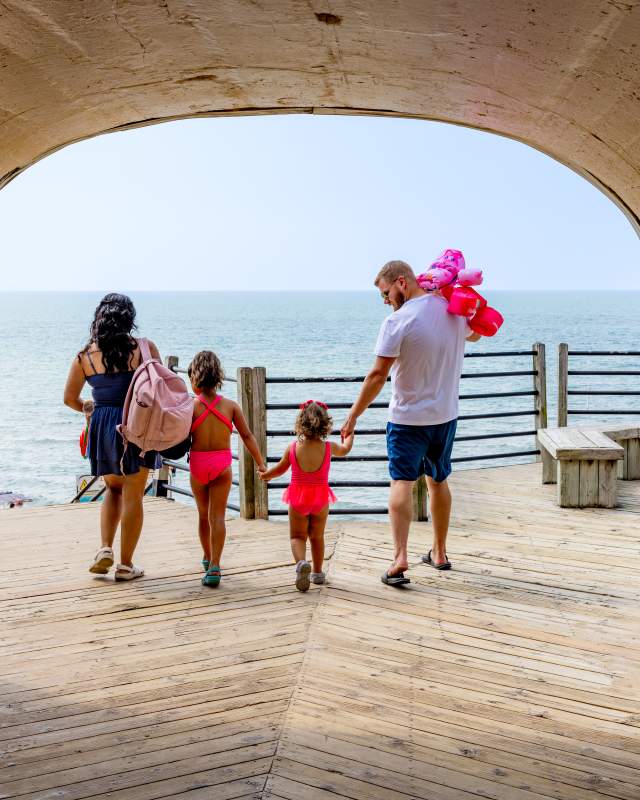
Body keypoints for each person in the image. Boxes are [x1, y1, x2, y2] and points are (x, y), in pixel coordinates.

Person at [340, 260, 482, 587]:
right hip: (446, 415)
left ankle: (400, 558)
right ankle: (440, 552)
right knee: (438, 480)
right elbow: (473, 337)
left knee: (401, 483)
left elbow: (377, 375)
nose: (386, 301)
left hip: (407, 419)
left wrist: (353, 415)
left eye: (386, 293)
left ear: (401, 282)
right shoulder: (453, 307)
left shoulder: (397, 321)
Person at [63, 293, 161, 581]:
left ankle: (105, 548)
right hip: (136, 423)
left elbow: (69, 398)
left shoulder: (85, 356)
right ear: (128, 319)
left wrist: (90, 408)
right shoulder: (144, 348)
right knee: (134, 496)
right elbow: (160, 389)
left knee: (113, 490)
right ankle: (126, 565)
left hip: (103, 425)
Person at [187, 350, 266, 587]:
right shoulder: (231, 406)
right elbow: (247, 435)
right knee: (217, 517)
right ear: (218, 376)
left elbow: (177, 435)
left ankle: (207, 556)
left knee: (203, 516)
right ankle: (215, 566)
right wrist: (261, 463)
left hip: (198, 464)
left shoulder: (190, 407)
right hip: (221, 465)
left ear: (195, 377)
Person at [260, 400, 353, 592]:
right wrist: (349, 436)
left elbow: (279, 470)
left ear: (300, 423)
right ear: (325, 424)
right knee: (317, 536)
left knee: (297, 536)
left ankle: (302, 563)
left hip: (297, 498)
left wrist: (265, 475)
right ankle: (318, 573)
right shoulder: (329, 447)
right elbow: (345, 450)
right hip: (320, 498)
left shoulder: (293, 448)